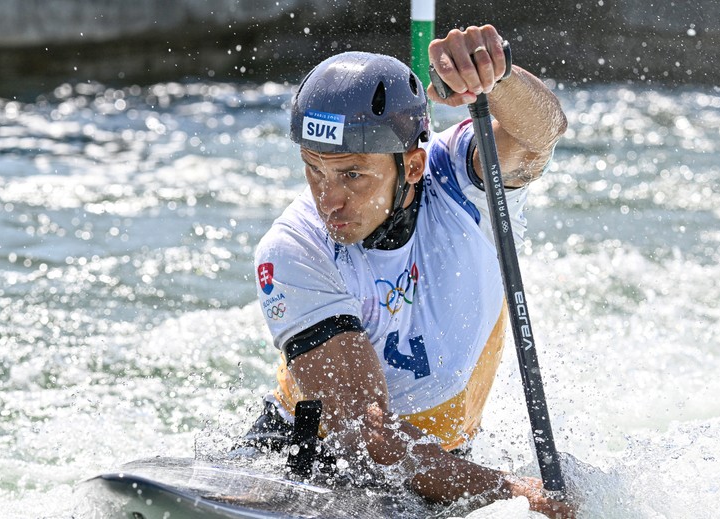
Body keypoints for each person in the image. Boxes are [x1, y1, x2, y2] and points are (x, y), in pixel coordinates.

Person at [245, 25, 574, 518]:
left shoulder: (463, 181)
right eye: (315, 169)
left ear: (413, 166)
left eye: (352, 174)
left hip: (443, 469)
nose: (328, 199)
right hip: (307, 463)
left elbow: (540, 133)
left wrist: (498, 76)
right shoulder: (293, 247)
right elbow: (367, 434)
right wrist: (517, 494)